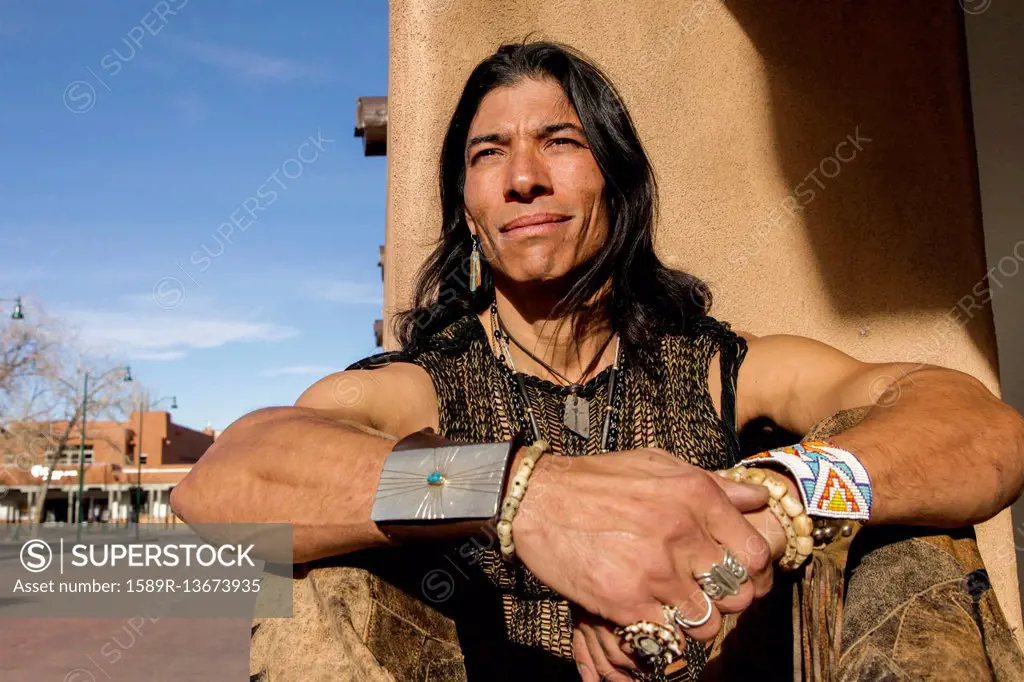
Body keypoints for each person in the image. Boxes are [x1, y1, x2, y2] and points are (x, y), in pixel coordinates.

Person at [171, 41, 1024, 681]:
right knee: (320, 567)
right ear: (468, 211)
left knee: (908, 519)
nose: (523, 178)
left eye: (560, 142)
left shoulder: (727, 369)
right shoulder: (422, 386)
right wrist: (521, 493)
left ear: (617, 184)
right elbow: (224, 484)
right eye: (487, 153)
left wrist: (767, 515)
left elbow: (977, 429)